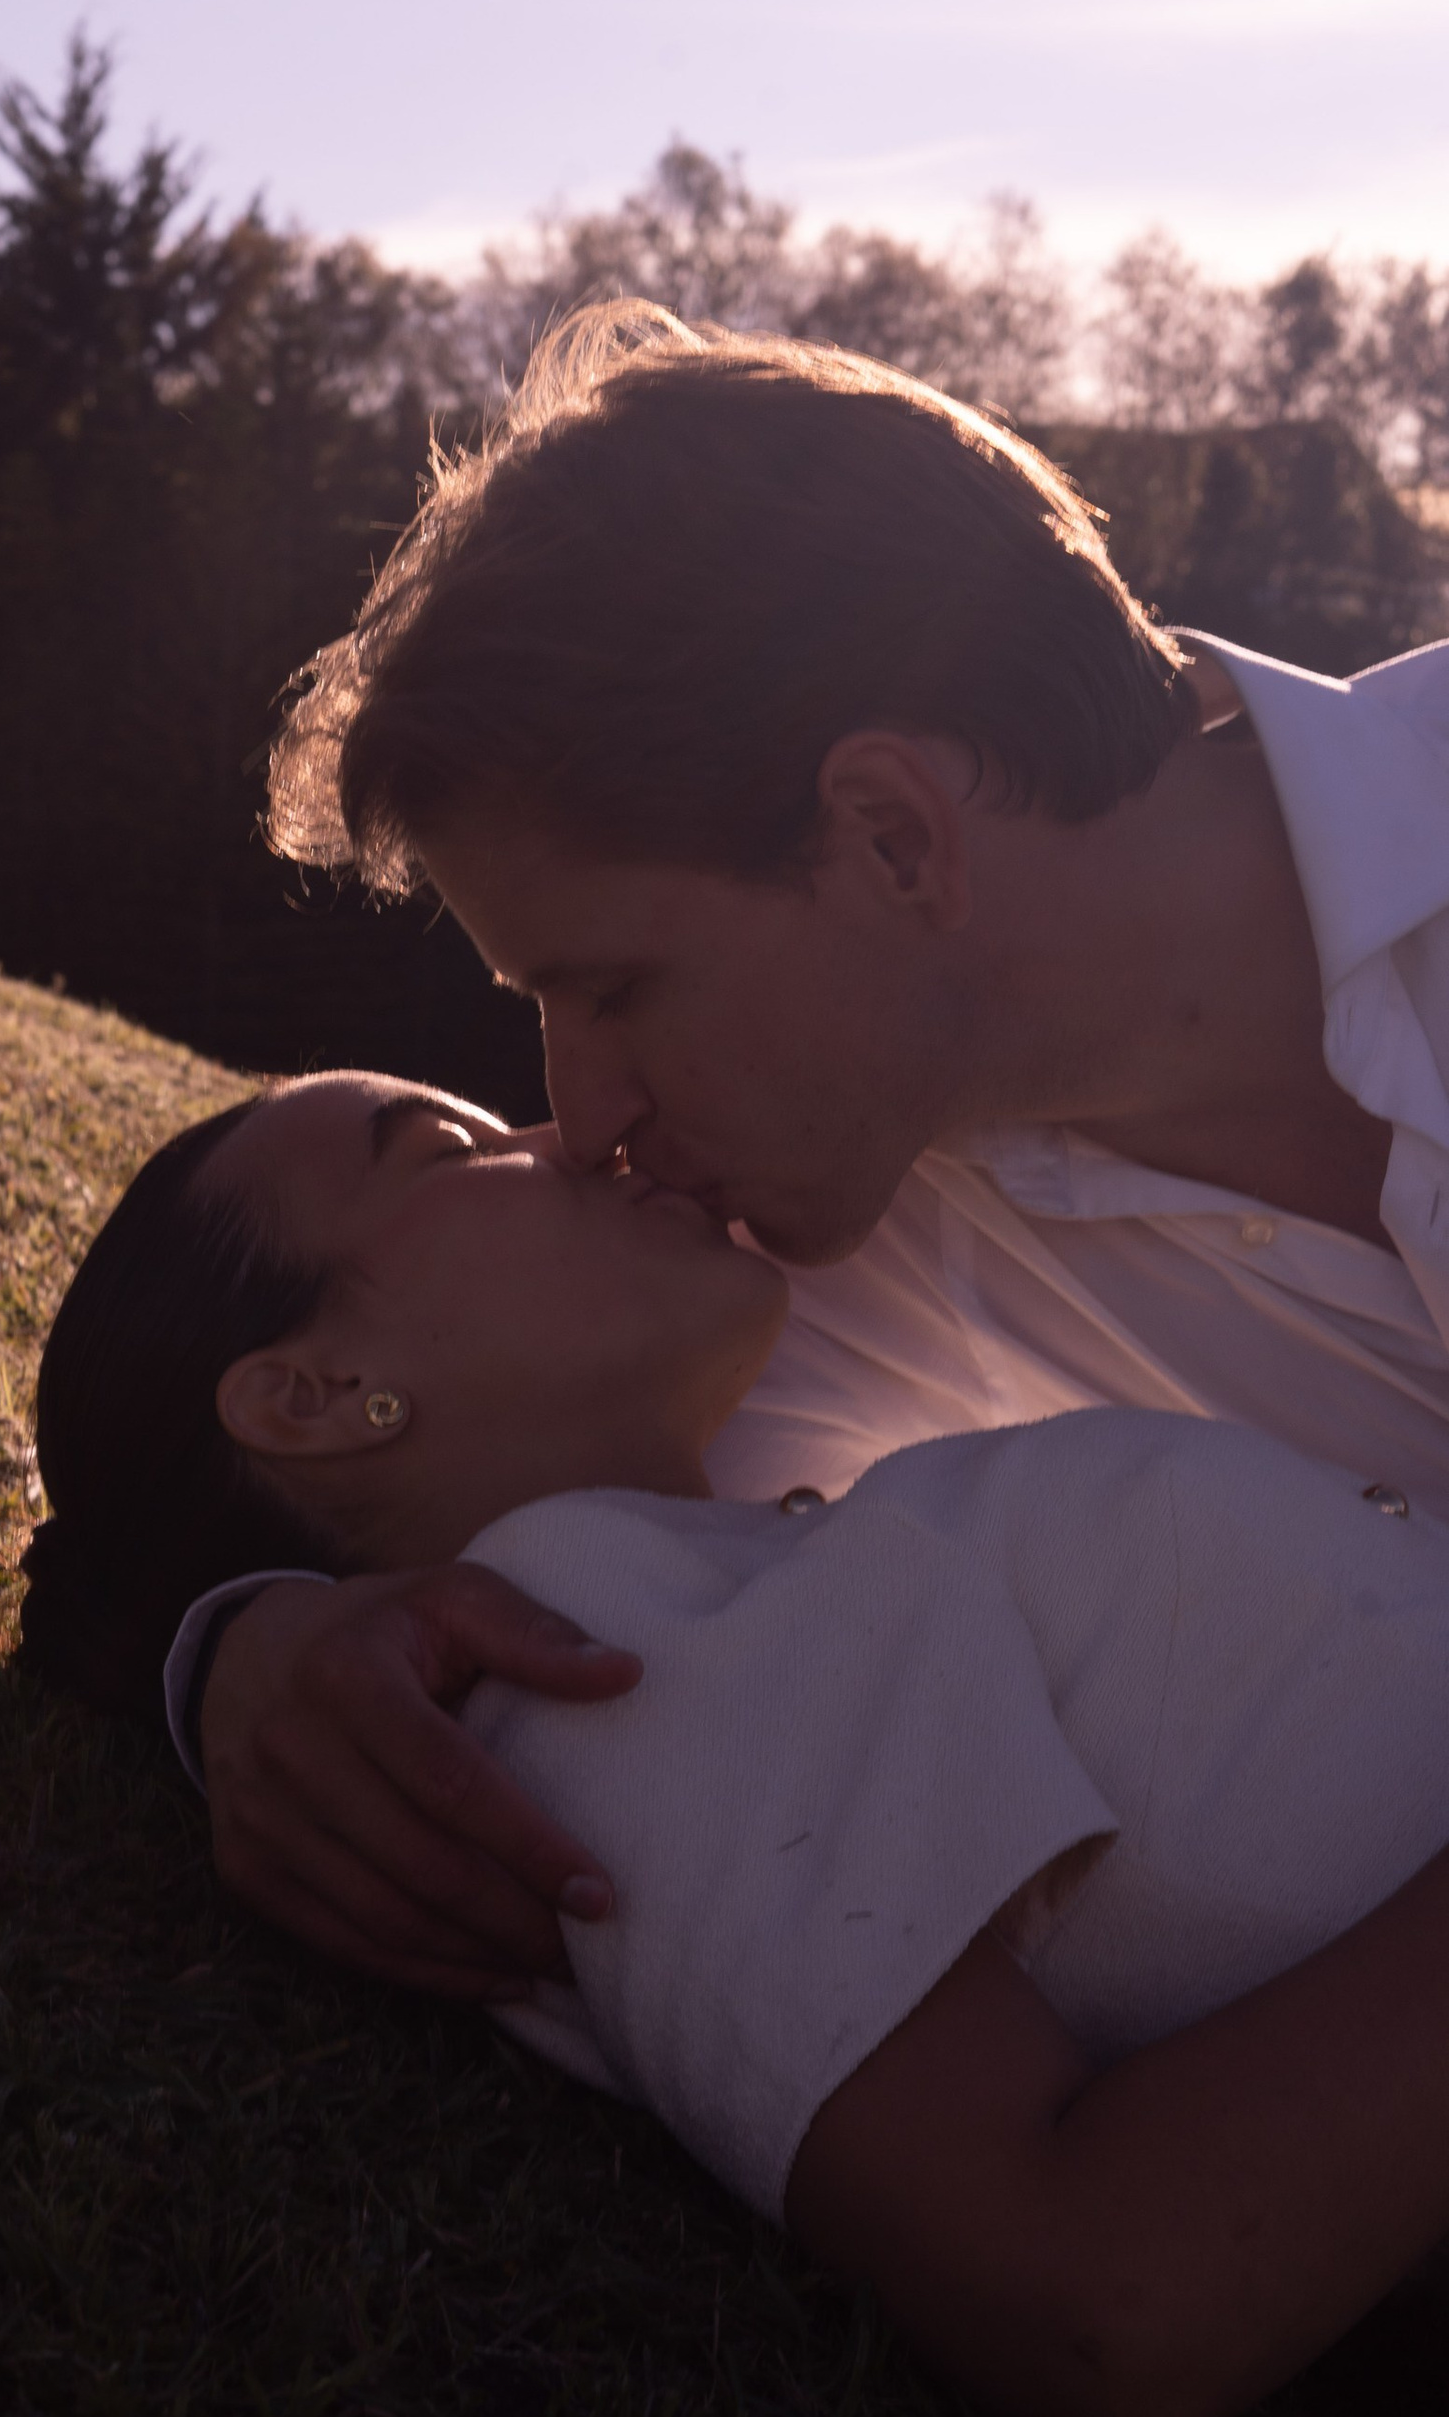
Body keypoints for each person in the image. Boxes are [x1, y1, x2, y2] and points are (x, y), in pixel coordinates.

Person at [189, 306, 1449, 2011]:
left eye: (612, 989)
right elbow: (423, 1441)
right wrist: (242, 1647)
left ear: (894, 837)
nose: (587, 1115)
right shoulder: (852, 1202)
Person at [26, 1069, 1449, 2417]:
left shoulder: (695, 1573)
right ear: (320, 1392)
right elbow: (1101, 2299)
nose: (572, 1135)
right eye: (449, 1146)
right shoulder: (582, 1652)